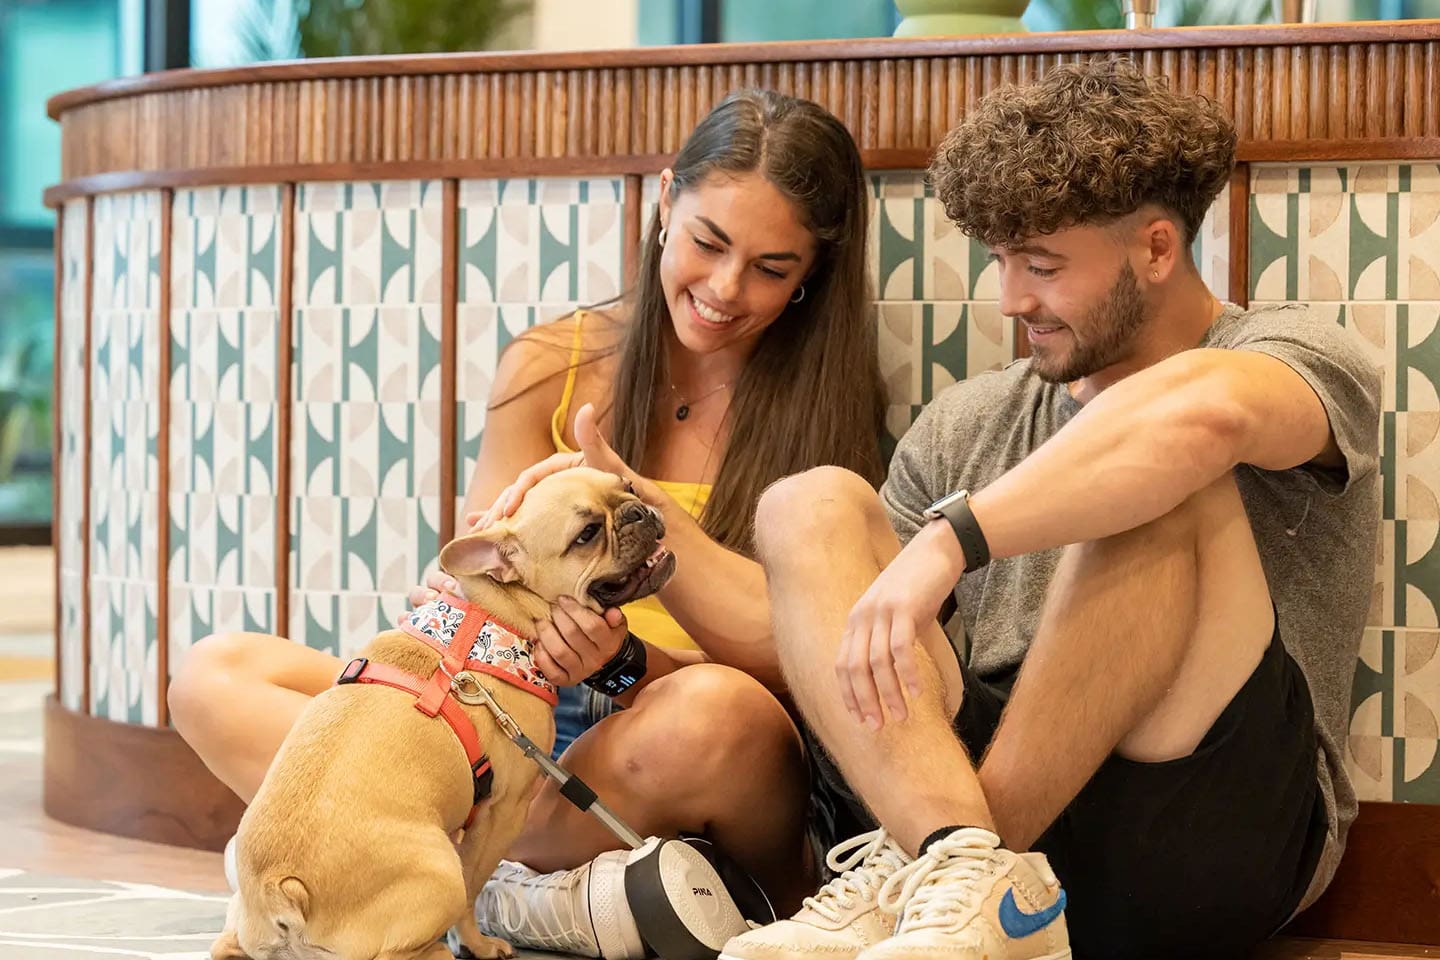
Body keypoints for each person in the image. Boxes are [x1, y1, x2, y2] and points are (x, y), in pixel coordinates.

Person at [168, 87, 886, 942]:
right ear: (665, 202)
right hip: (503, 721)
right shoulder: (555, 365)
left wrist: (626, 655)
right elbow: (472, 580)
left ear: (812, 275)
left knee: (718, 714)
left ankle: (473, 873)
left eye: (772, 268)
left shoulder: (827, 413)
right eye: (708, 243)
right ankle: (519, 881)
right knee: (216, 673)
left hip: (662, 729)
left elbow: (801, 667)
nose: (726, 289)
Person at [711, 58, 1379, 960]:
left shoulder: (1298, 353)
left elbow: (1202, 417)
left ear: (1154, 248)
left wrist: (954, 539)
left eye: (1044, 265)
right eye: (1001, 261)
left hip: (1200, 830)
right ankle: (958, 869)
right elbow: (839, 637)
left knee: (1164, 476)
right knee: (808, 505)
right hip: (978, 821)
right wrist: (651, 553)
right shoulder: (969, 423)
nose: (1010, 299)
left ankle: (962, 875)